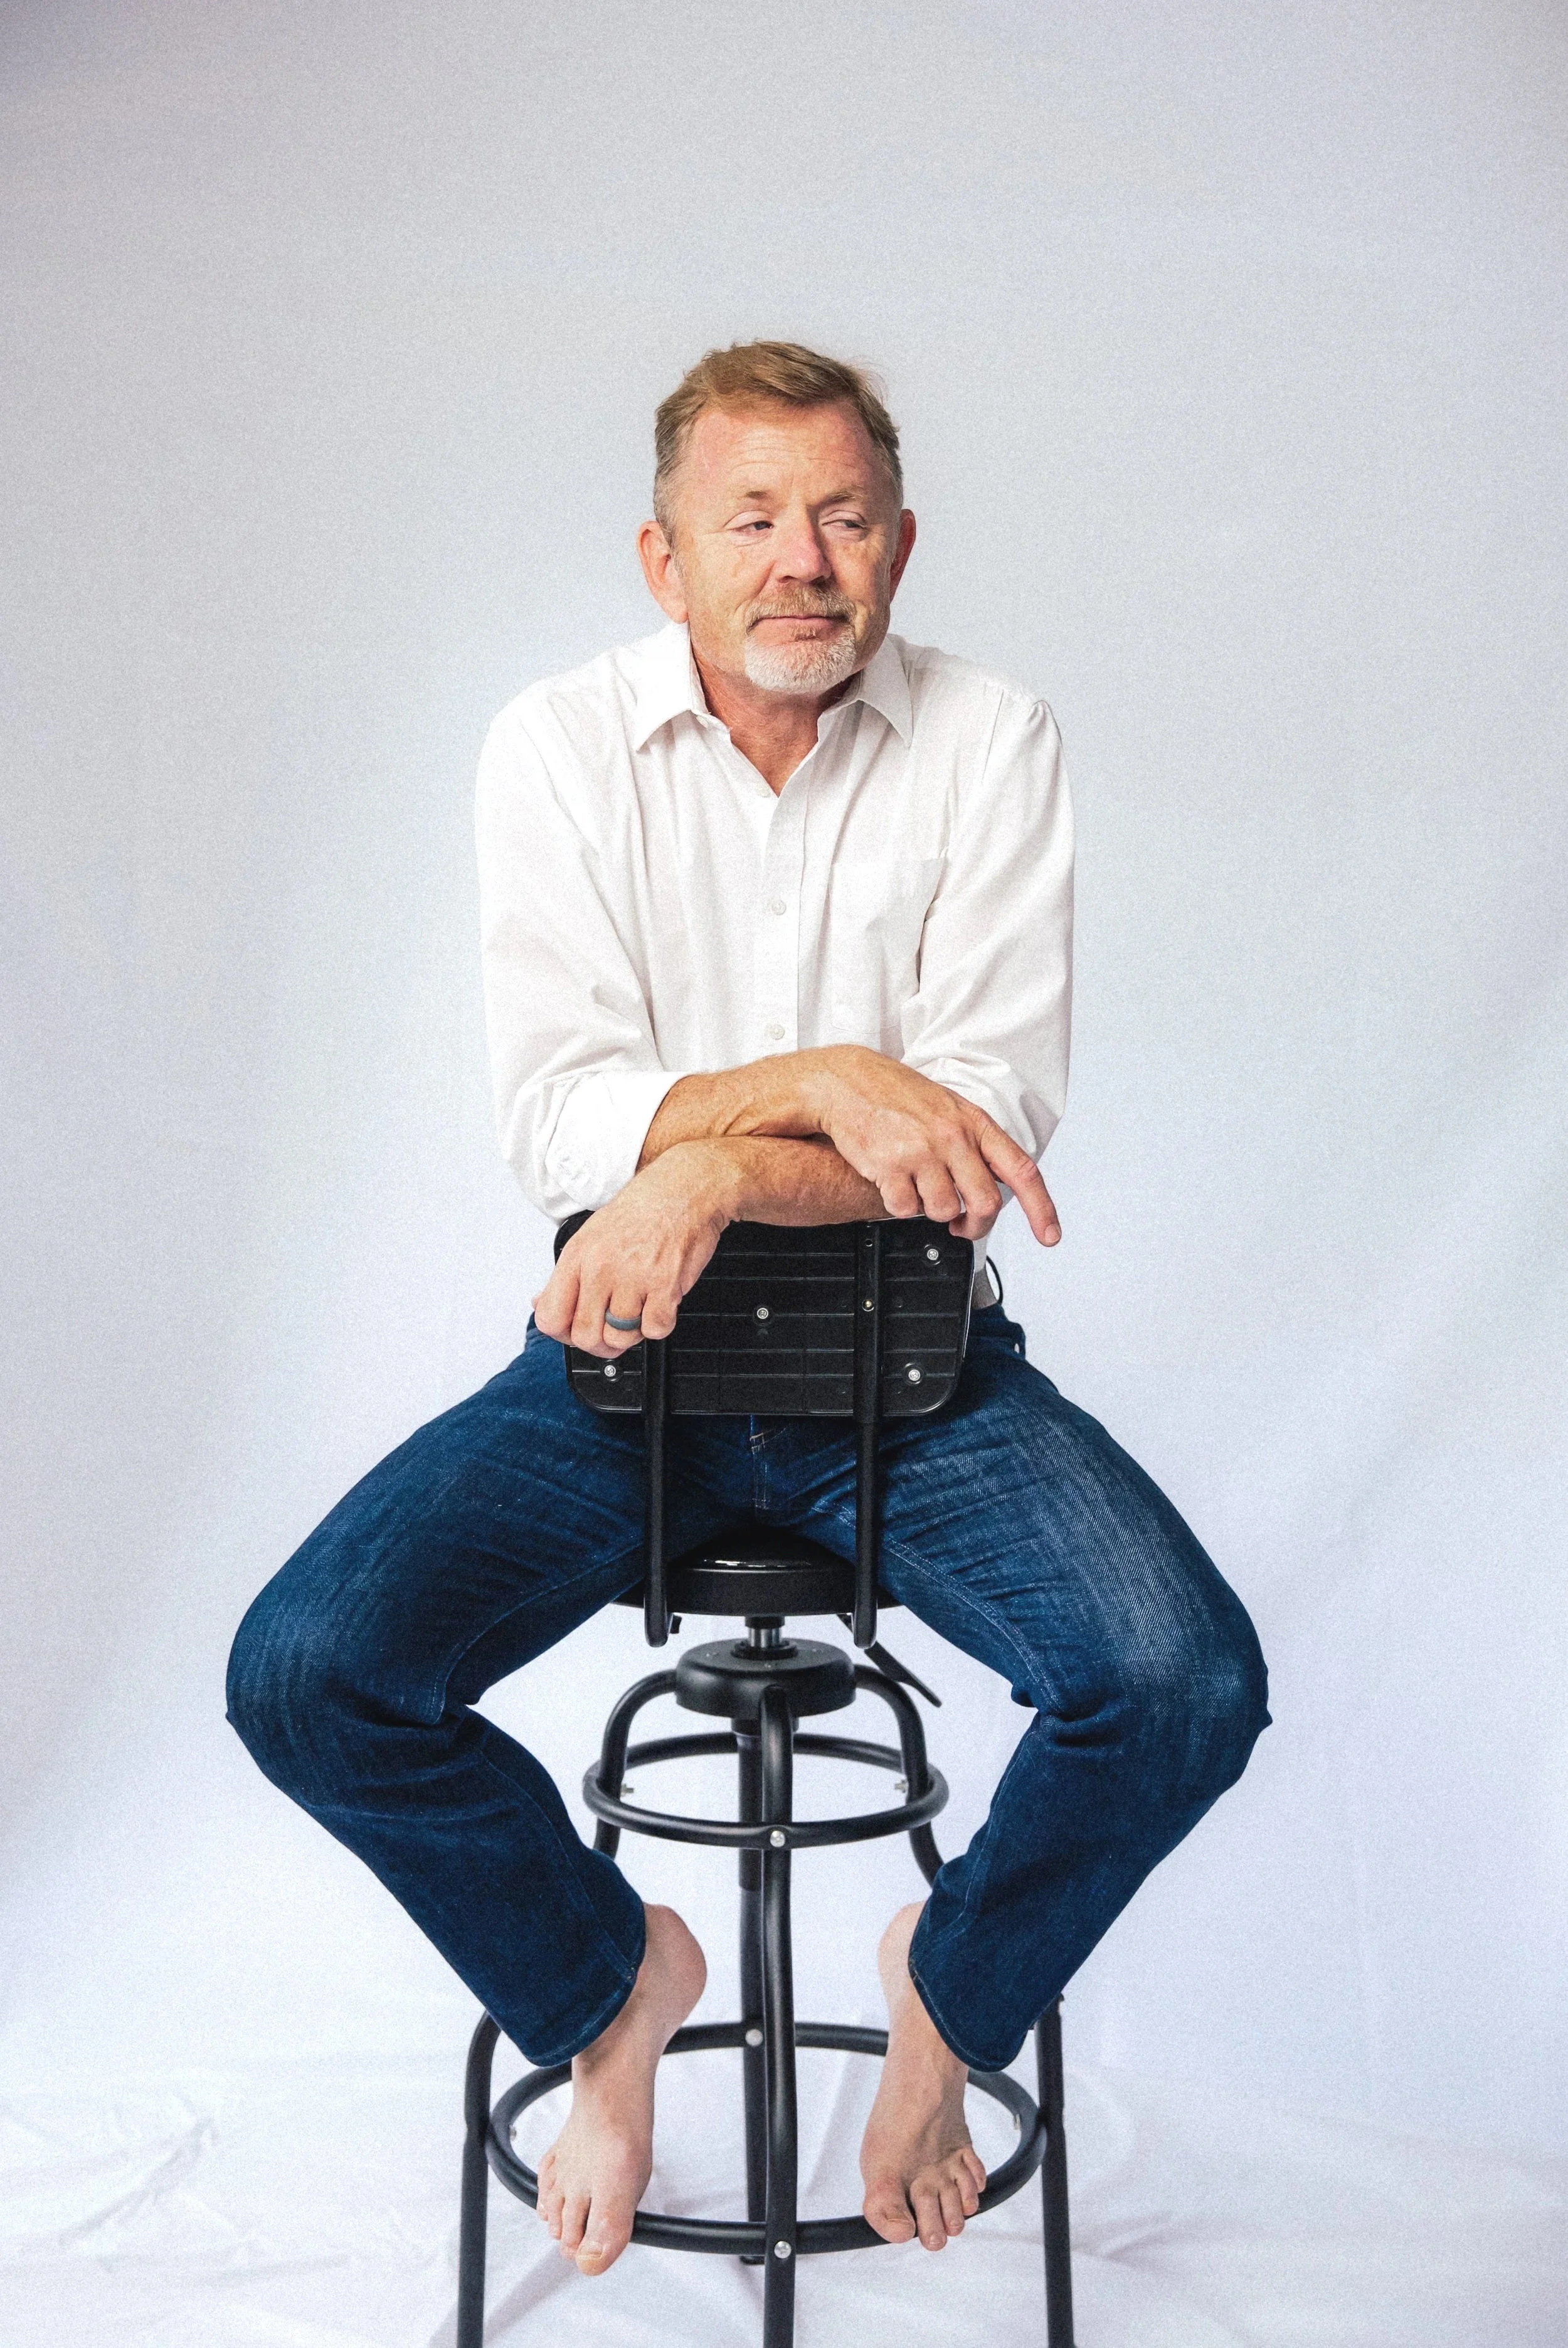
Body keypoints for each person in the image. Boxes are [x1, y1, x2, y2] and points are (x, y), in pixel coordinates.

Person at [228, 339, 1269, 2283]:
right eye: (755, 517)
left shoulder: (992, 734)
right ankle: (610, 1981)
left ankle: (946, 1997)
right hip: (623, 1365)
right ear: (664, 557)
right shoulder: (553, 743)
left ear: (900, 542)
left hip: (913, 1363)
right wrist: (829, 1082)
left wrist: (701, 1159)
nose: (806, 557)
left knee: (1186, 1684)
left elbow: (970, 1138)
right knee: (306, 1673)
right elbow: (556, 1113)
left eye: (845, 515)